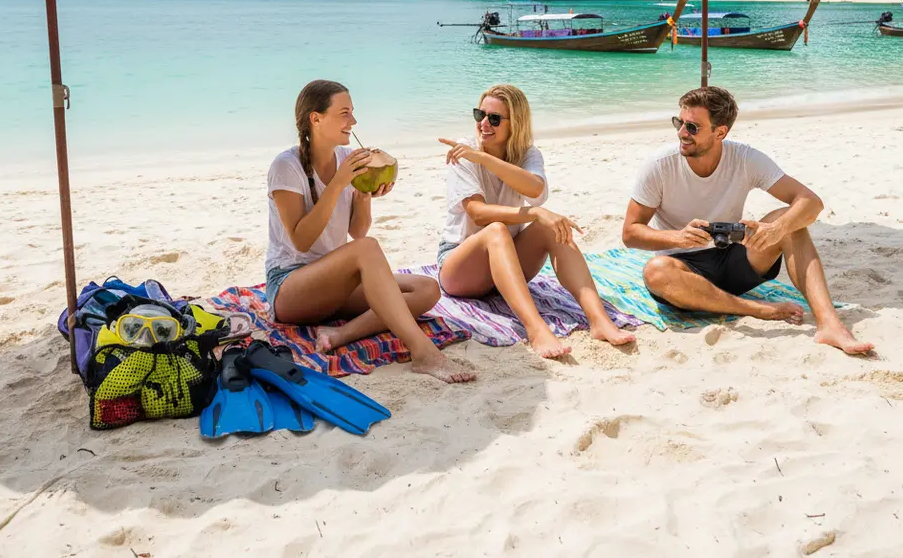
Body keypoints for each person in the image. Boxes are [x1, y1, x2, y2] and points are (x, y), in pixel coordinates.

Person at [622, 86, 873, 356]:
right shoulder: (660, 165)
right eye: (679, 123)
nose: (682, 133)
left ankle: (830, 324)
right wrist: (677, 237)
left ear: (720, 132)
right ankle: (757, 310)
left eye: (692, 127)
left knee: (789, 221)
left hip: (734, 259)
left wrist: (777, 229)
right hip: (683, 272)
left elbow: (811, 202)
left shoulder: (744, 158)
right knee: (655, 271)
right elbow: (630, 233)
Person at [267, 79, 475, 383]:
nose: (353, 121)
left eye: (352, 113)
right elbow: (300, 241)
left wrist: (363, 195)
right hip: (290, 289)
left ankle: (339, 334)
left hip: (334, 285)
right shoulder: (286, 166)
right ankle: (424, 353)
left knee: (426, 289)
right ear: (316, 118)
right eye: (345, 113)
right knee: (368, 250)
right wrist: (339, 183)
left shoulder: (346, 159)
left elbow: (358, 232)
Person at [438, 84, 635, 358]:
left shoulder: (526, 154)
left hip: (508, 264)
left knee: (549, 226)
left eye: (494, 119)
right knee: (498, 230)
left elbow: (536, 191)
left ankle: (599, 320)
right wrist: (532, 213)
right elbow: (477, 213)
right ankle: (536, 329)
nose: (483, 124)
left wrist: (485, 159)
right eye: (479, 114)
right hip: (461, 269)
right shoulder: (464, 153)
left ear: (515, 124)